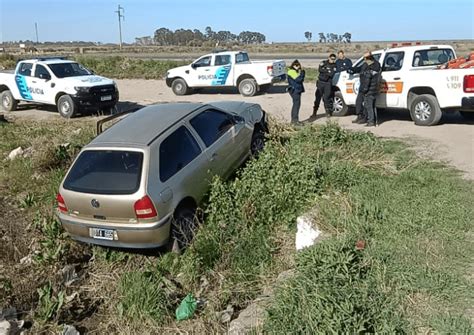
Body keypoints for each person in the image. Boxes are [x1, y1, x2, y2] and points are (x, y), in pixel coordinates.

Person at [348, 52, 381, 126]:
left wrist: (365, 89)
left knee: (368, 105)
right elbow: (360, 69)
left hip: (368, 88)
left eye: (365, 58)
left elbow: (368, 77)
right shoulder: (365, 64)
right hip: (363, 86)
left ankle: (368, 119)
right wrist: (352, 69)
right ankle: (360, 116)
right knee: (359, 102)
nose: (364, 60)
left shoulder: (375, 65)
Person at [287, 59, 305, 124]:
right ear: (293, 65)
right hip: (294, 90)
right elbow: (299, 80)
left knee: (297, 105)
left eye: (298, 65)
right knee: (296, 105)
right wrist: (302, 73)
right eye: (296, 65)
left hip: (297, 90)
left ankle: (295, 120)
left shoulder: (296, 71)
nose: (297, 66)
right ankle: (294, 120)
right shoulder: (291, 71)